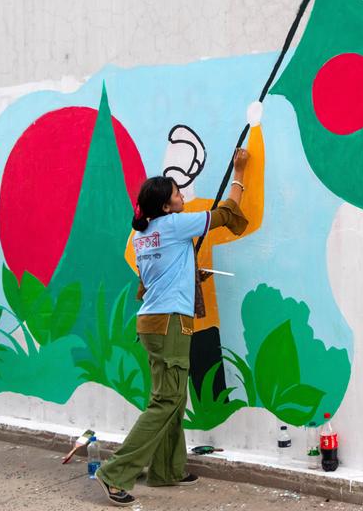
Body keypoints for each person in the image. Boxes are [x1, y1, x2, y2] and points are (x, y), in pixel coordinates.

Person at [95, 126, 253, 506]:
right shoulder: (177, 224)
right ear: (166, 206)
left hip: (151, 322)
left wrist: (187, 273)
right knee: (166, 402)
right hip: (170, 324)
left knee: (170, 397)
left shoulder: (144, 233)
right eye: (177, 194)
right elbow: (227, 212)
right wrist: (240, 174)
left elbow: (156, 273)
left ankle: (167, 470)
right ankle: (115, 472)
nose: (182, 195)